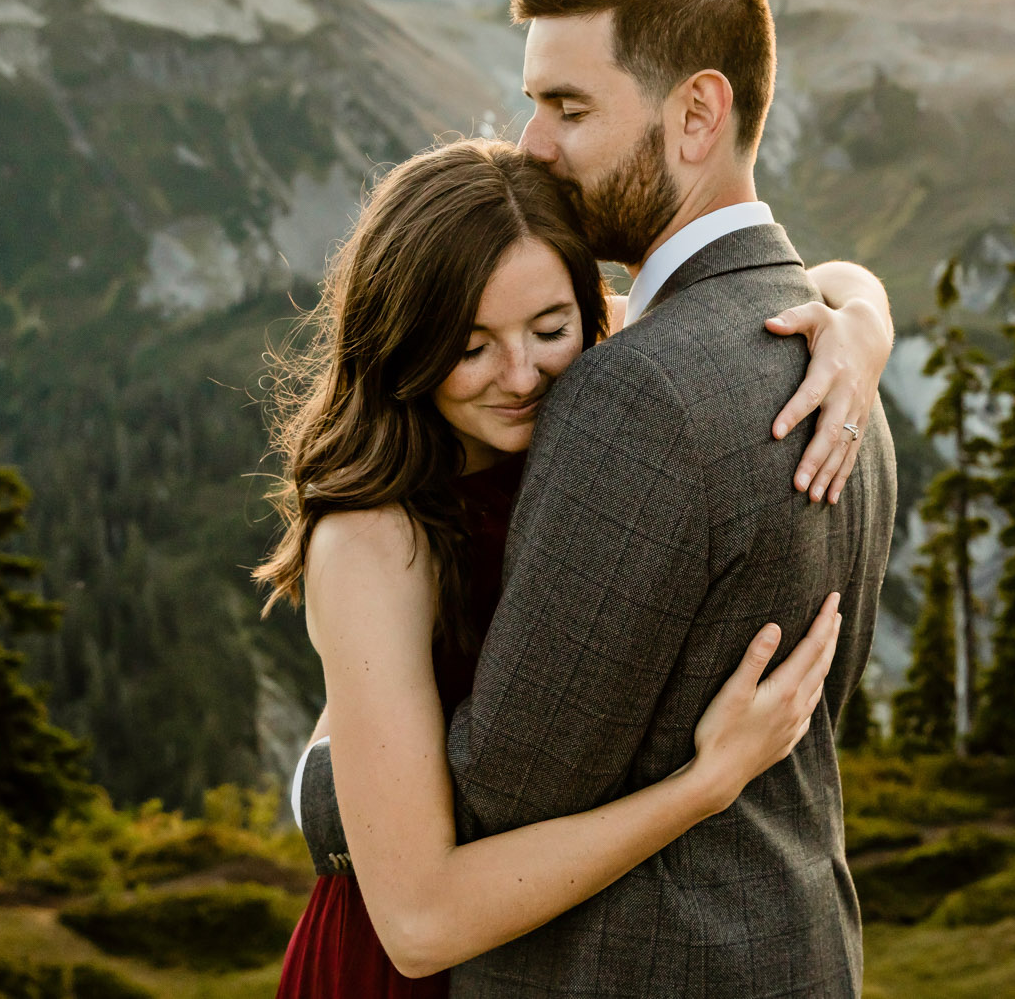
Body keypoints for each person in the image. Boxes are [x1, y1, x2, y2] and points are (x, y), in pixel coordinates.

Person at [260, 134, 894, 986]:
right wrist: (705, 784)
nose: (521, 374)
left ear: (590, 309)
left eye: (550, 327)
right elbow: (418, 919)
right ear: (405, 342)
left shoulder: (607, 387)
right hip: (395, 973)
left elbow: (825, 277)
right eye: (470, 344)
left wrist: (863, 331)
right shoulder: (373, 540)